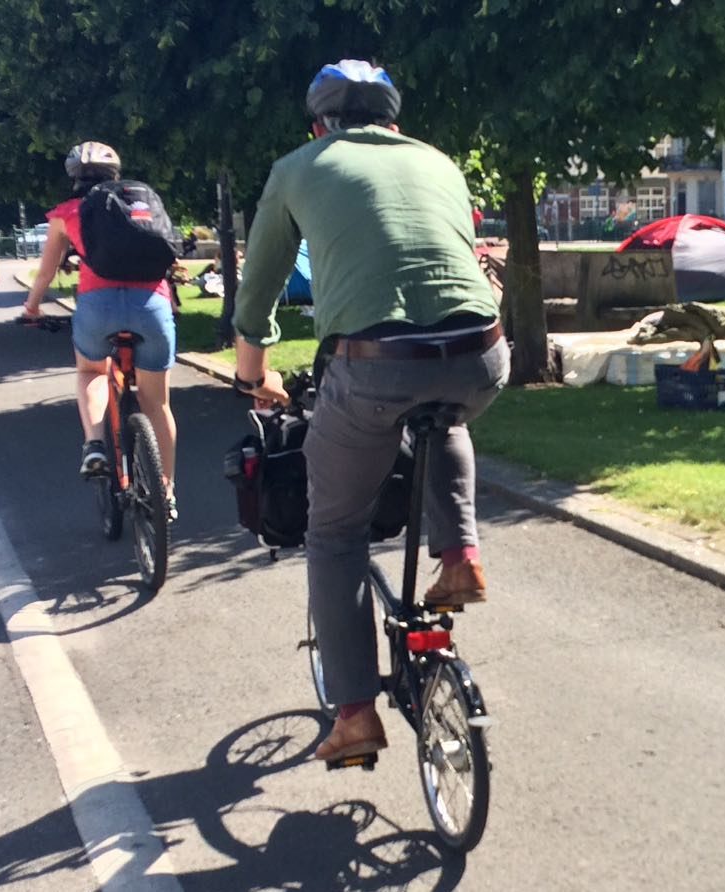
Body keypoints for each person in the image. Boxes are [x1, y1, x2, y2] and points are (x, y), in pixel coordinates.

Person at [230, 59, 507, 765]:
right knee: (446, 417)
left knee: (334, 533)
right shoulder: (438, 160)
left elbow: (259, 286)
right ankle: (462, 557)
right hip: (481, 352)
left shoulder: (297, 166)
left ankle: (354, 715)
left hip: (372, 366)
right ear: (394, 121)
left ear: (318, 124)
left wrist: (251, 373)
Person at [22, 142, 180, 519]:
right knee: (157, 403)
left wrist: (31, 307)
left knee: (90, 372)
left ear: (74, 176)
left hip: (98, 306)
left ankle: (94, 444)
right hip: (152, 307)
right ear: (115, 174)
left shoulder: (66, 214)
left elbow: (46, 272)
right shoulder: (137, 204)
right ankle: (167, 492)